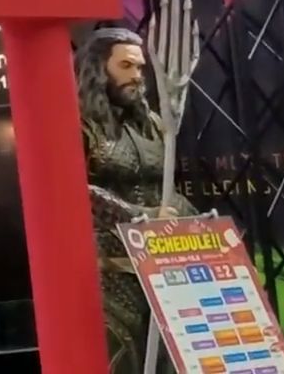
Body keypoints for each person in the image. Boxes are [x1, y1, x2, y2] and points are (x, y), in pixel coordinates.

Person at [77, 27, 195, 373]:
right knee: (125, 357)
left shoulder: (153, 124)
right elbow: (73, 191)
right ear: (98, 68)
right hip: (109, 271)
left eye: (140, 67)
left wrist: (199, 225)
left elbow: (167, 189)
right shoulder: (77, 125)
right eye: (126, 66)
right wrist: (138, 215)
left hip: (162, 264)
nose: (137, 76)